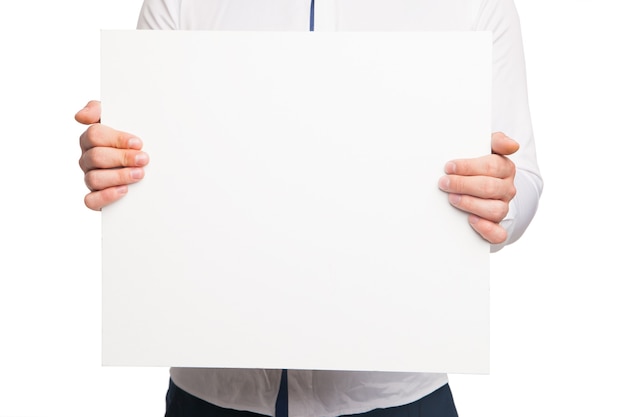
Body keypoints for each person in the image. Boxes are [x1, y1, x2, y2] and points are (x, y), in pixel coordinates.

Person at [76, 0, 543, 416]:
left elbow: (523, 180)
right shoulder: (179, 3)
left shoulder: (475, 5)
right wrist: (113, 164)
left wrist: (499, 199)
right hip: (212, 395)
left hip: (397, 396)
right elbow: (143, 160)